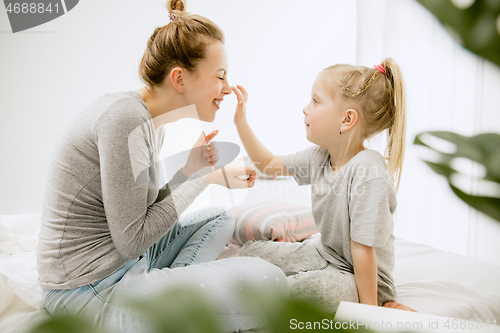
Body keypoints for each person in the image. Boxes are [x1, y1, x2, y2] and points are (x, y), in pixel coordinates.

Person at [36, 1, 288, 332]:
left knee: (218, 218)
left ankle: (165, 297)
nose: (228, 88)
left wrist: (187, 171)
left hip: (124, 262)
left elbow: (142, 213)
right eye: (220, 76)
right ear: (180, 78)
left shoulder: (151, 121)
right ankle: (163, 303)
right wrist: (204, 178)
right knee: (270, 282)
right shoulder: (124, 119)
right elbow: (132, 238)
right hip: (87, 288)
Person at [232, 59, 417, 313]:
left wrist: (372, 311)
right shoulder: (319, 156)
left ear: (347, 119)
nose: (305, 109)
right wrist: (241, 123)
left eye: (315, 101)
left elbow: (362, 250)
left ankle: (252, 303)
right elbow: (268, 164)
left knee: (304, 293)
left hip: (363, 279)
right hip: (326, 255)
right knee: (249, 253)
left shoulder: (368, 171)